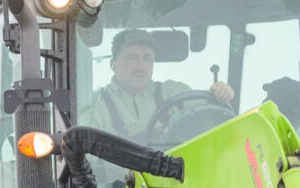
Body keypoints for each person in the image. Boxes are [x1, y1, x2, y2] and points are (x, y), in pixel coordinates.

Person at [81, 29, 234, 140]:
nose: (141, 66)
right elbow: (86, 159)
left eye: (147, 58)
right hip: (120, 184)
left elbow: (207, 113)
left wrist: (219, 93)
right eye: (132, 57)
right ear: (113, 64)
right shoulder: (96, 105)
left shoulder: (174, 92)